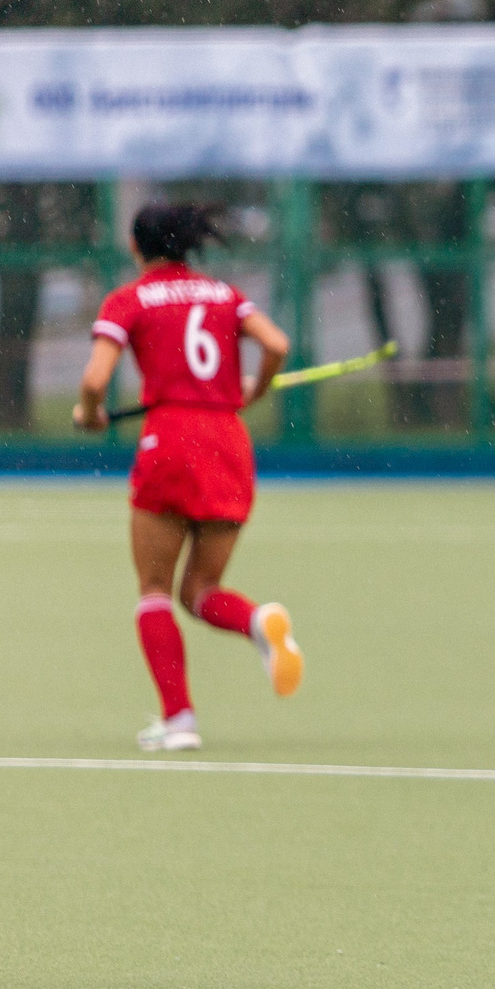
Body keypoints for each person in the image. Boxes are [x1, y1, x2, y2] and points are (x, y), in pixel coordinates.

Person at [73, 203, 306, 752]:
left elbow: (94, 378)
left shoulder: (128, 300)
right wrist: (255, 390)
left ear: (136, 247)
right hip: (227, 441)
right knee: (200, 590)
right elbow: (276, 345)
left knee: (155, 589)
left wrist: (89, 414)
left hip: (170, 440)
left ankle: (179, 719)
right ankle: (257, 622)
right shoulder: (224, 294)